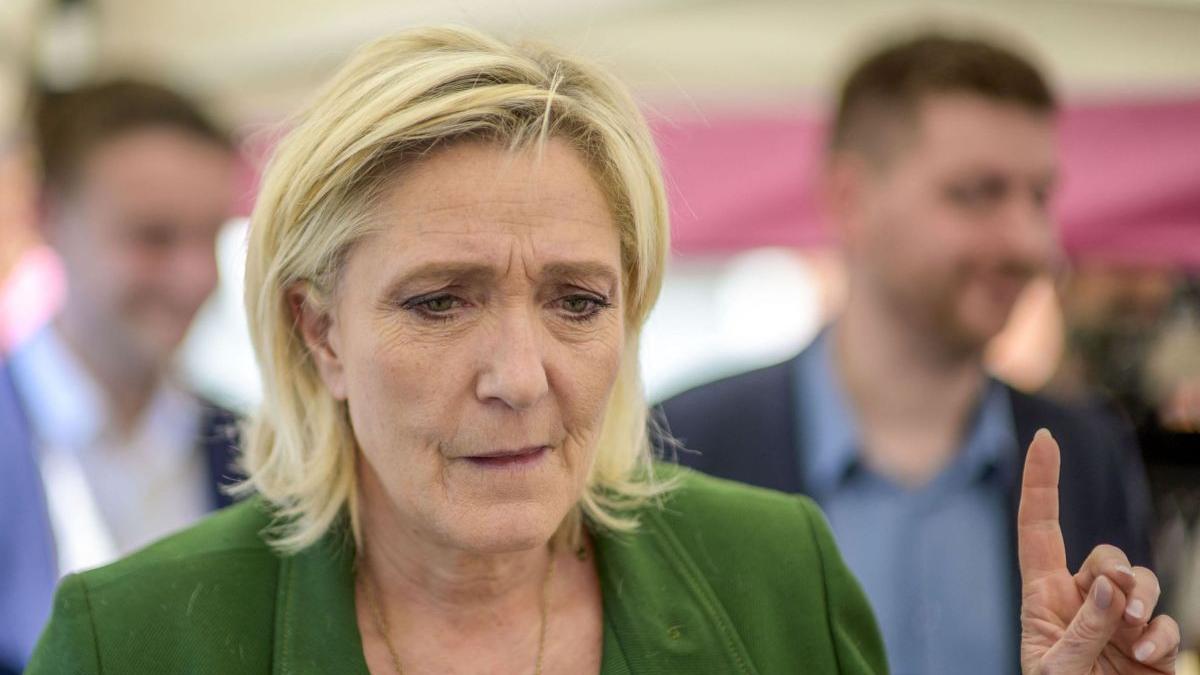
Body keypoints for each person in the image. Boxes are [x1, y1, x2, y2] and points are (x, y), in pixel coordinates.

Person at [27, 26, 1177, 675]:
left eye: (577, 302)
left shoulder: (776, 574)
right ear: (316, 329)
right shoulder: (133, 639)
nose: (520, 377)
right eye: (440, 302)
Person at [658, 30, 1156, 675]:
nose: (1030, 243)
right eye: (977, 192)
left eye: (1039, 197)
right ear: (850, 200)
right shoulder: (682, 447)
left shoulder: (1088, 454)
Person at [0, 80, 241, 672]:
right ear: (47, 217)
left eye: (210, 236)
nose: (195, 277)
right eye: (153, 238)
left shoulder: (252, 450)